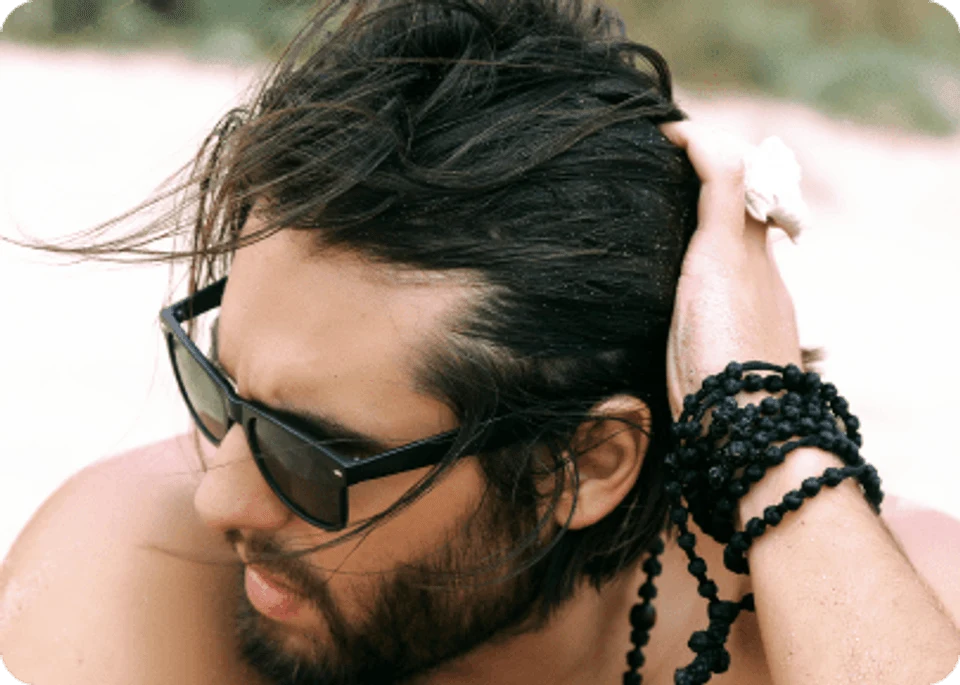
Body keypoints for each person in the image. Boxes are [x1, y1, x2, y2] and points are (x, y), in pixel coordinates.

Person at [1, 0, 959, 684]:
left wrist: (762, 416)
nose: (218, 495)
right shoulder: (139, 568)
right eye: (223, 390)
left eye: (312, 450)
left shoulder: (892, 602)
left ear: (582, 464)